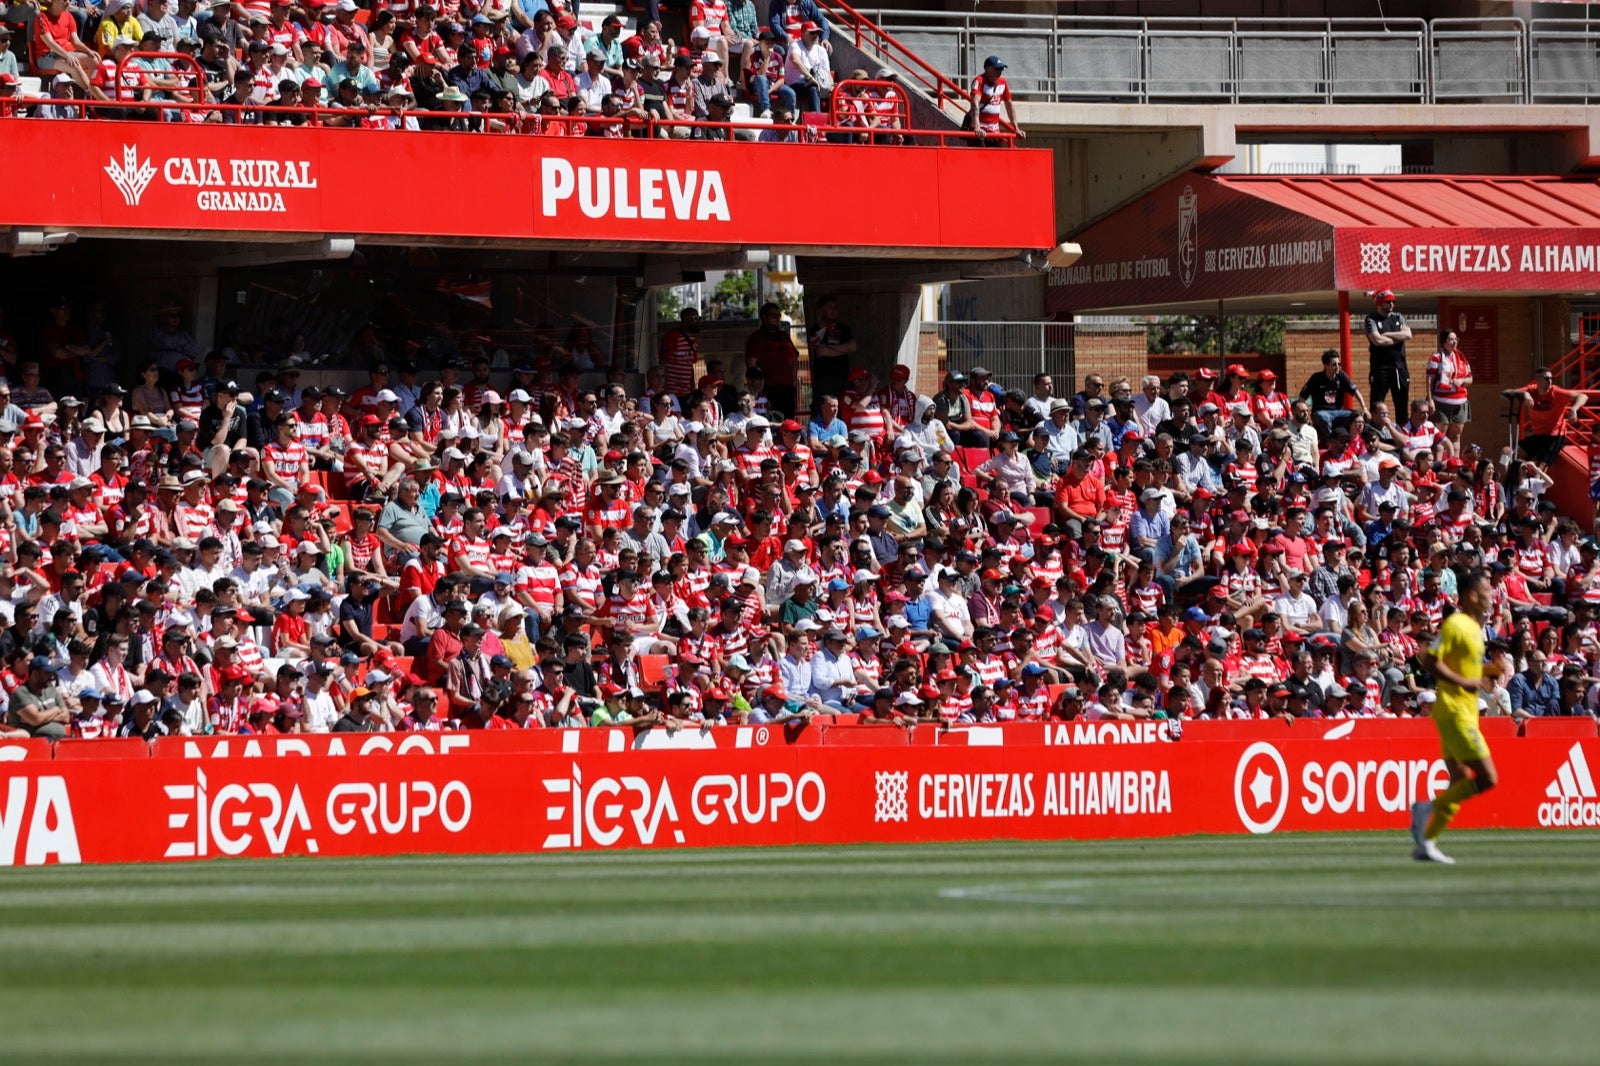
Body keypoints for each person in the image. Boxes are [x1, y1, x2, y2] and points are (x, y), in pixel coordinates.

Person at [1411, 569, 1502, 864]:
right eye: (1487, 590)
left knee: (1460, 779)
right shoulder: (1456, 624)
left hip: (1464, 712)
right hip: (1454, 712)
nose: (1492, 595)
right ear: (1473, 596)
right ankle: (1426, 808)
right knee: (1488, 778)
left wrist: (1488, 672)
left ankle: (1427, 842)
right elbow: (1430, 660)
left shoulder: (1475, 629)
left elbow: (1461, 667)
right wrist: (1465, 683)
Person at [1510, 366, 1585, 467]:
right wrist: (1525, 394)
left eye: (1551, 378)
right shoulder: (1531, 390)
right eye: (1546, 378)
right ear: (1537, 380)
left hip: (1555, 436)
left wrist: (1574, 409)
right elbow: (1509, 392)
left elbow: (1583, 396)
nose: (1550, 381)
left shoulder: (1557, 392)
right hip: (1538, 436)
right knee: (1511, 456)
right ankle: (1498, 482)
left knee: (1540, 469)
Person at [1364, 288, 1412, 417]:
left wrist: (1388, 334)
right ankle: (1375, 433)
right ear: (1380, 303)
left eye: (1393, 301)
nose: (1391, 304)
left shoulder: (1398, 317)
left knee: (1402, 404)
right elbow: (1378, 340)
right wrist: (1398, 338)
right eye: (1387, 301)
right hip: (1380, 368)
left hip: (1399, 367)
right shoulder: (1371, 319)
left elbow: (1408, 334)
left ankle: (1402, 434)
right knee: (1376, 403)